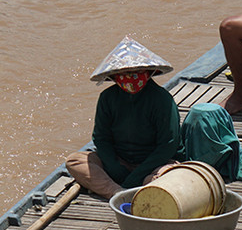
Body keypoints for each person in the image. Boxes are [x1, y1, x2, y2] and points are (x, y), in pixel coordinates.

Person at [65, 37, 181, 198]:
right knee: (75, 161)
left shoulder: (162, 99)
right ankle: (118, 193)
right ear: (114, 76)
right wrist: (114, 167)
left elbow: (168, 145)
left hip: (153, 164)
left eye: (137, 72)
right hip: (119, 161)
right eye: (125, 73)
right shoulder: (107, 98)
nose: (131, 77)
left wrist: (137, 175)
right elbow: (101, 138)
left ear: (149, 72)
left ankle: (135, 189)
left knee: (169, 174)